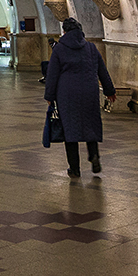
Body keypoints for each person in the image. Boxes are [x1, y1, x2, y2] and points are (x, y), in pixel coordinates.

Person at [44, 19, 116, 178]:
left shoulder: (59, 49)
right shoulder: (90, 47)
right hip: (89, 92)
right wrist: (109, 91)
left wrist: (49, 96)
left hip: (67, 95)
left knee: (70, 131)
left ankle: (75, 169)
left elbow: (52, 75)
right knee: (90, 125)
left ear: (64, 32)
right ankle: (94, 156)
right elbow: (102, 71)